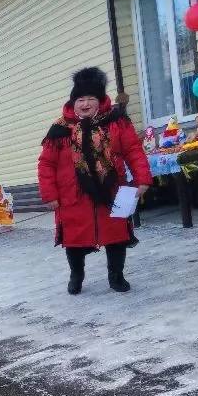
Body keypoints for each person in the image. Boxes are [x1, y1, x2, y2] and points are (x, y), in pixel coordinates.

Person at [37, 67, 153, 294]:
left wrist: (142, 179)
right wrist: (49, 194)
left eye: (91, 98)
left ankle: (116, 276)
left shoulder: (117, 122)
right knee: (74, 241)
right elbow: (46, 164)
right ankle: (76, 276)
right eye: (81, 99)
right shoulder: (59, 130)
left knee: (116, 236)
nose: (86, 103)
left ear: (100, 101)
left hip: (111, 191)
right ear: (73, 102)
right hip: (72, 196)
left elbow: (134, 151)